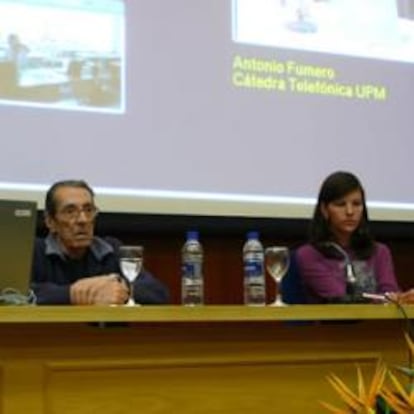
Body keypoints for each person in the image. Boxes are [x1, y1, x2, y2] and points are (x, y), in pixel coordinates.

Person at [31, 180, 170, 305]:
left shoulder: (110, 249)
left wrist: (119, 288)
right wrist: (71, 293)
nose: (83, 220)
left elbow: (158, 292)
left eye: (88, 210)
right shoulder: (33, 251)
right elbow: (14, 295)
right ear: (50, 222)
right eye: (70, 211)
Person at [296, 171, 400, 304]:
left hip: (378, 324)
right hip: (333, 324)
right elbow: (342, 299)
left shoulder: (380, 252)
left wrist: (398, 298)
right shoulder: (309, 255)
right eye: (341, 204)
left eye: (356, 204)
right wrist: (385, 299)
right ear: (324, 209)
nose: (350, 212)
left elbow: (391, 294)